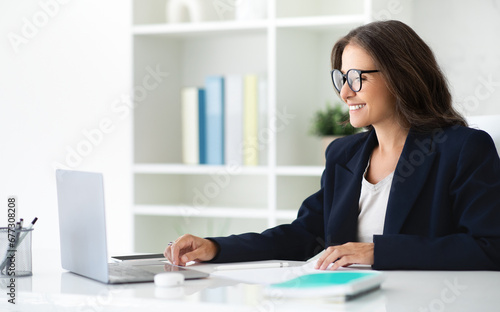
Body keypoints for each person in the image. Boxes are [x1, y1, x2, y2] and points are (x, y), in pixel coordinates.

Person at [165, 20, 500, 270]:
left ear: (402, 77)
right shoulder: (344, 155)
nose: (344, 93)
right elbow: (304, 236)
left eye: (357, 78)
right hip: (346, 300)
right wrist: (216, 247)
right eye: (341, 78)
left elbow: (489, 247)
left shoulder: (464, 149)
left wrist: (377, 252)